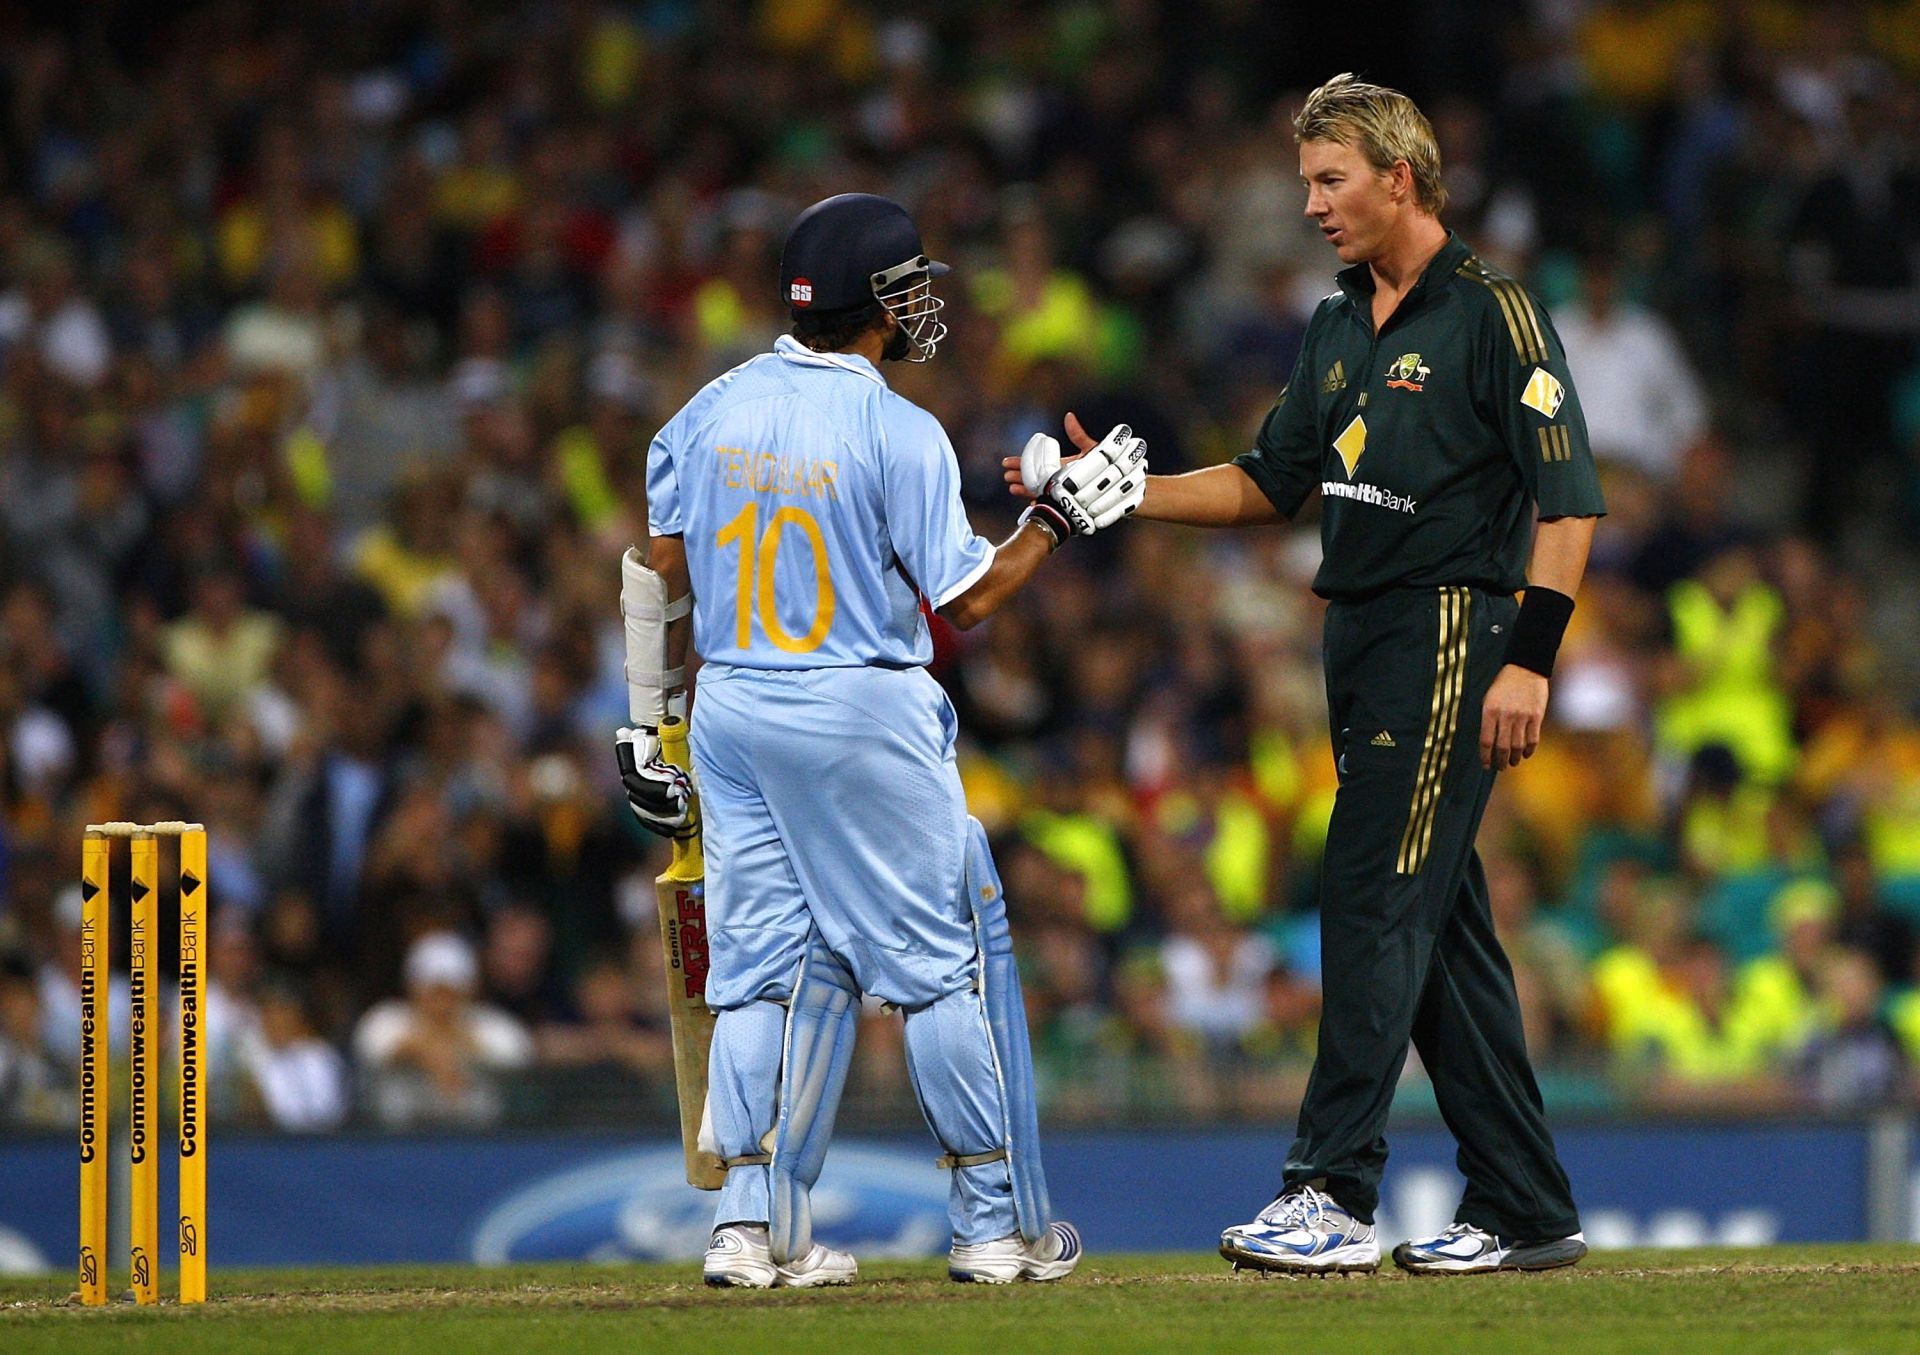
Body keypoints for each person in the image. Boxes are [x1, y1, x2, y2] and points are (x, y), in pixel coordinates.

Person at [1009, 75, 1602, 1276]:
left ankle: (1330, 1187)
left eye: (1331, 181)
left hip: (1450, 627)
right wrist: (1128, 496)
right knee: (1435, 923)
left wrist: (1528, 661)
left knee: (1371, 894)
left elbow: (1571, 501)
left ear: (1401, 176)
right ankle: (1527, 1202)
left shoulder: (1495, 313)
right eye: (1306, 185)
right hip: (1361, 633)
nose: (1314, 206)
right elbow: (1273, 481)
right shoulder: (1336, 324)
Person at [617, 193, 1145, 1288]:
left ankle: (748, 1229)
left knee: (753, 975)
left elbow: (654, 569)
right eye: (910, 286)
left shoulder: (711, 405)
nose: (922, 303)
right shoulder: (897, 427)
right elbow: (974, 599)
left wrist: (644, 721)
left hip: (731, 710)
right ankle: (992, 1226)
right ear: (876, 303)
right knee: (936, 973)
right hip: (857, 707)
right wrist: (1057, 519)